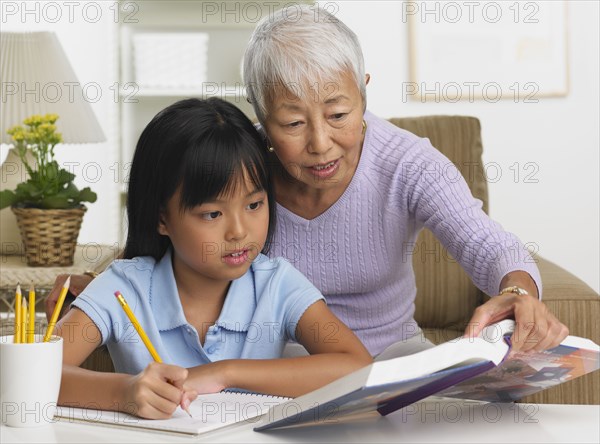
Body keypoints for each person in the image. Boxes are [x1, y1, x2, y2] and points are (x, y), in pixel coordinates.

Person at [49, 5, 568, 360]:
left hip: (388, 357)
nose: (321, 143)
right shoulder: (242, 163)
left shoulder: (409, 164)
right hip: (271, 363)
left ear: (364, 94)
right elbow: (177, 233)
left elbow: (484, 240)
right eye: (292, 123)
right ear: (259, 115)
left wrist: (517, 290)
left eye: (339, 113)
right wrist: (98, 286)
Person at [54, 97, 372, 420]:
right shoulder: (124, 287)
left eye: (254, 205)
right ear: (162, 219)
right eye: (212, 214)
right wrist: (124, 393)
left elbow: (357, 366)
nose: (238, 231)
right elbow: (36, 371)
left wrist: (226, 373)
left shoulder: (276, 284)